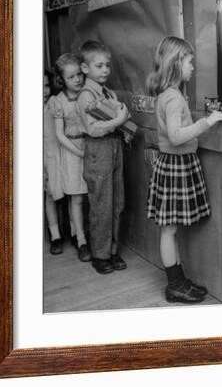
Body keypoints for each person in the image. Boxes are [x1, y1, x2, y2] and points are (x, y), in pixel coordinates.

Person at [146, 36, 222, 304]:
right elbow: (176, 135)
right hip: (175, 165)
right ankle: (174, 286)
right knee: (169, 229)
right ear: (177, 62)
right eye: (190, 61)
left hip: (174, 164)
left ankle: (179, 280)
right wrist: (207, 122)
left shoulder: (170, 94)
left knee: (171, 229)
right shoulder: (173, 98)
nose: (193, 66)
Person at [77, 41, 130, 275]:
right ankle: (100, 254)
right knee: (101, 203)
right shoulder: (85, 96)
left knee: (117, 202)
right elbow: (93, 129)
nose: (105, 70)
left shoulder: (108, 92)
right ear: (85, 68)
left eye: (107, 65)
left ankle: (112, 250)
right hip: (98, 150)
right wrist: (118, 121)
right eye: (99, 66)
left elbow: (114, 124)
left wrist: (124, 131)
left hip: (115, 148)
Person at [47, 54, 91, 262]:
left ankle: (88, 234)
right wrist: (78, 151)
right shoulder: (58, 102)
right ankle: (81, 240)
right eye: (71, 77)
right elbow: (59, 134)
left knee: (92, 195)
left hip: (90, 146)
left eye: (79, 75)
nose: (77, 80)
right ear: (61, 80)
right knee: (77, 197)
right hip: (72, 151)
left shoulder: (88, 94)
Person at [43, 70, 65, 255]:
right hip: (44, 158)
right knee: (50, 196)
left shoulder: (54, 103)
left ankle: (75, 233)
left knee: (70, 194)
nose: (43, 90)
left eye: (46, 86)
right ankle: (55, 235)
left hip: (60, 154)